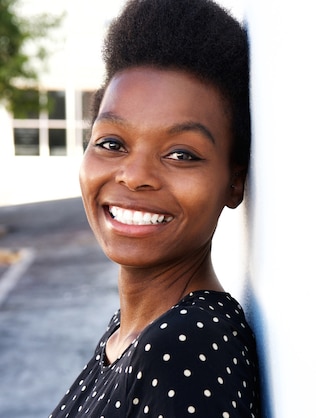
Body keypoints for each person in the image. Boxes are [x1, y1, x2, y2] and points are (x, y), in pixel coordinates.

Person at [49, 0, 260, 417]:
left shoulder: (187, 348)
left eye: (181, 154)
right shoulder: (130, 333)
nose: (134, 175)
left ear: (234, 181)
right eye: (112, 143)